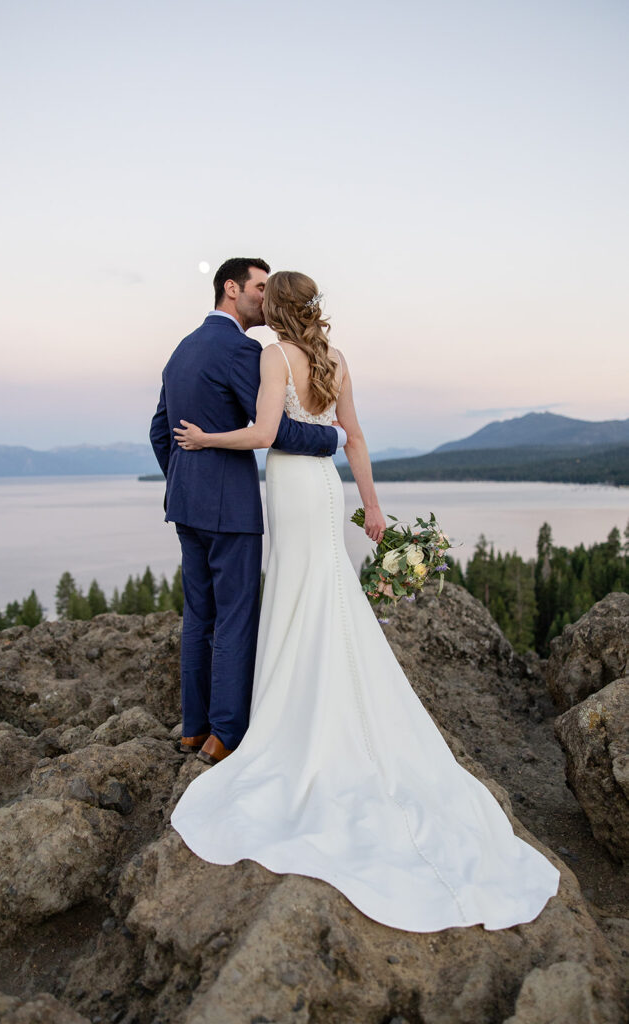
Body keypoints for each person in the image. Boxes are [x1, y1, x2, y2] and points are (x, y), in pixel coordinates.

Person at [169, 269, 561, 932]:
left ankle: (286, 715)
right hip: (327, 490)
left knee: (295, 594)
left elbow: (264, 435)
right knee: (326, 591)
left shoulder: (272, 355)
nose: (258, 301)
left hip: (291, 489)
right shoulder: (334, 359)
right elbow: (352, 438)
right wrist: (372, 508)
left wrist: (205, 440)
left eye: (268, 296)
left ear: (277, 309)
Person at [149, 258, 348, 767]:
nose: (265, 296)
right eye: (259, 287)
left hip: (186, 504)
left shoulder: (181, 349)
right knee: (236, 617)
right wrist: (331, 437)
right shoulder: (243, 350)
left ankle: (193, 729)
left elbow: (159, 430)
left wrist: (182, 481)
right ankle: (227, 733)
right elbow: (273, 430)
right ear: (231, 288)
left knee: (199, 616)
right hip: (229, 509)